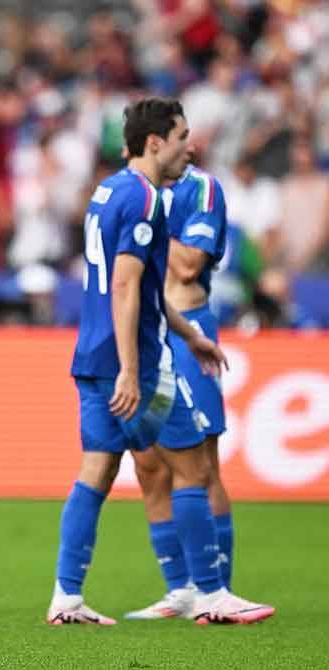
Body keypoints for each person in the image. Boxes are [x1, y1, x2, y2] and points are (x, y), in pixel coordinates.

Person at [45, 97, 273, 626]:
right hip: (139, 363)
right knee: (192, 467)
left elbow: (141, 286)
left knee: (96, 472)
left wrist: (191, 336)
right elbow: (127, 284)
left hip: (90, 354)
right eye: (181, 136)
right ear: (155, 143)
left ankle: (67, 597)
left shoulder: (106, 191)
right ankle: (212, 596)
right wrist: (132, 367)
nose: (187, 147)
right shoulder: (148, 200)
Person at [125, 163, 237, 620]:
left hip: (188, 330)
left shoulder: (202, 189)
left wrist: (146, 222)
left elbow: (189, 266)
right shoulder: (127, 190)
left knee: (201, 465)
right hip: (142, 335)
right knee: (150, 466)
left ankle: (219, 591)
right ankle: (181, 591)